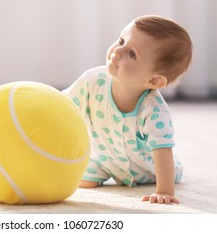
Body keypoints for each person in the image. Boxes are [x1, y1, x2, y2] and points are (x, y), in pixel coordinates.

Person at [62, 15, 192, 204]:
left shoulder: (154, 111)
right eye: (121, 41)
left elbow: (162, 151)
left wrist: (164, 190)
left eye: (132, 54)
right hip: (104, 160)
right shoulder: (91, 81)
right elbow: (63, 106)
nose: (118, 51)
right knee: (76, 182)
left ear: (153, 81)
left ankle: (173, 173)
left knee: (171, 172)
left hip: (145, 170)